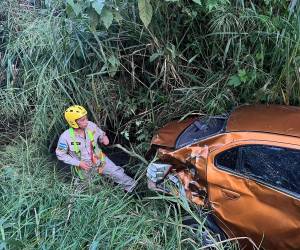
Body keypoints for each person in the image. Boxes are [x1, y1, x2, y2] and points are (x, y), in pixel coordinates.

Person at [55, 105, 137, 192]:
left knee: (117, 174)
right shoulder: (65, 137)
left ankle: (133, 189)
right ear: (73, 122)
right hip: (84, 166)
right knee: (85, 189)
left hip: (99, 159)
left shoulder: (90, 125)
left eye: (86, 118)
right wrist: (78, 163)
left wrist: (103, 138)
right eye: (82, 120)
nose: (86, 121)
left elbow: (100, 134)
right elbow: (61, 154)